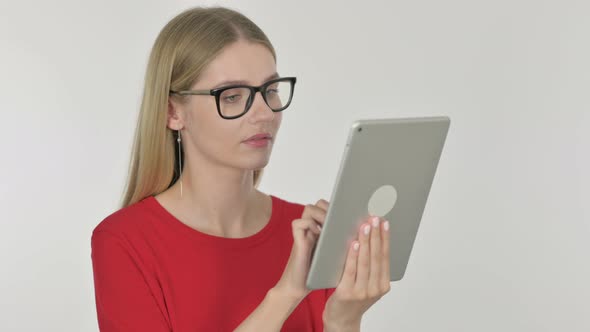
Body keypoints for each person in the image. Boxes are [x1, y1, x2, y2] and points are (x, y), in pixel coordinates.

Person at [90, 6, 391, 332]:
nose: (264, 113)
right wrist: (285, 294)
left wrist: (344, 318)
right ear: (173, 112)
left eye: (271, 90)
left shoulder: (308, 234)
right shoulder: (124, 243)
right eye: (233, 96)